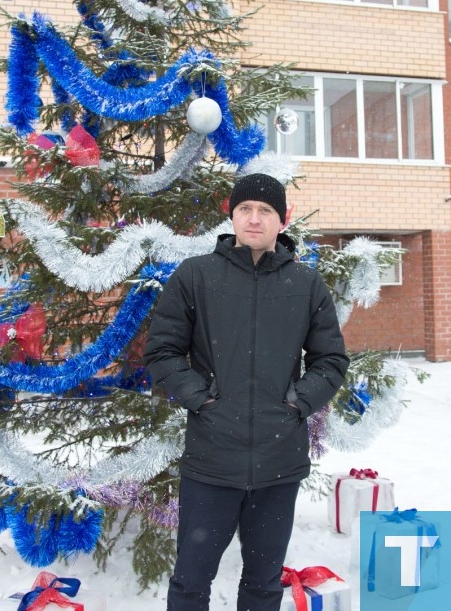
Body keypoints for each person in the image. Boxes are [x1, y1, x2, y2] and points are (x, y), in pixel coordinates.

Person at [144, 173, 349, 611]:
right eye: (245, 210)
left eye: (266, 211)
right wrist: (202, 399)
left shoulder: (306, 285)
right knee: (190, 581)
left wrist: (296, 404)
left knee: (262, 585)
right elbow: (162, 350)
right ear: (232, 214)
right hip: (211, 462)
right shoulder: (196, 276)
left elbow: (330, 361)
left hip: (279, 463)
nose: (254, 219)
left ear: (282, 220)